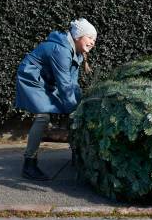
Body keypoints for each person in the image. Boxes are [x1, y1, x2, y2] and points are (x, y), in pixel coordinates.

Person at [15, 18, 97, 180]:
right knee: (43, 116)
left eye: (94, 39)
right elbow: (64, 85)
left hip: (46, 80)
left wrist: (80, 104)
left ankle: (76, 153)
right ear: (78, 37)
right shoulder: (61, 51)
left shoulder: (77, 53)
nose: (93, 42)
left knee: (67, 107)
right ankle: (29, 164)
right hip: (32, 78)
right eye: (90, 37)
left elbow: (72, 85)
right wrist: (75, 112)